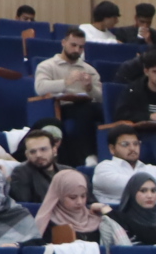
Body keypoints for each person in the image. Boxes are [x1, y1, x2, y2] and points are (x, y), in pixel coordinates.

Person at [30, 29, 102, 163]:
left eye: (81, 47)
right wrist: (66, 82)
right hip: (62, 107)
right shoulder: (47, 66)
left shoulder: (89, 69)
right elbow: (40, 88)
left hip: (87, 105)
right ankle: (87, 157)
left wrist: (90, 88)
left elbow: (101, 97)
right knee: (85, 112)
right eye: (73, 45)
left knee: (100, 109)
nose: (77, 50)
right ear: (63, 43)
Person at [110, 46, 156, 163]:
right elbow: (121, 114)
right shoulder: (133, 90)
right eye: (155, 72)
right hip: (140, 135)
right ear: (146, 71)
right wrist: (149, 117)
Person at [90, 125, 156, 207]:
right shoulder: (104, 168)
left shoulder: (151, 169)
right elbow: (129, 188)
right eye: (125, 144)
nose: (132, 148)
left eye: (135, 144)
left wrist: (145, 191)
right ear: (112, 149)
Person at [34, 166, 107, 247]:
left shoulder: (94, 217)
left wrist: (104, 209)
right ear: (60, 195)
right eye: (73, 197)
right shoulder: (47, 223)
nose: (79, 202)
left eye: (83, 196)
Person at [107, 174, 156, 247]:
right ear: (132, 193)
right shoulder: (122, 221)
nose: (149, 196)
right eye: (143, 191)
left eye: (153, 191)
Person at [4, 128, 62, 204]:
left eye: (43, 149)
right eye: (32, 152)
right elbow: (26, 205)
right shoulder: (21, 173)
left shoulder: (67, 171)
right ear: (27, 155)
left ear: (54, 150)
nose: (38, 155)